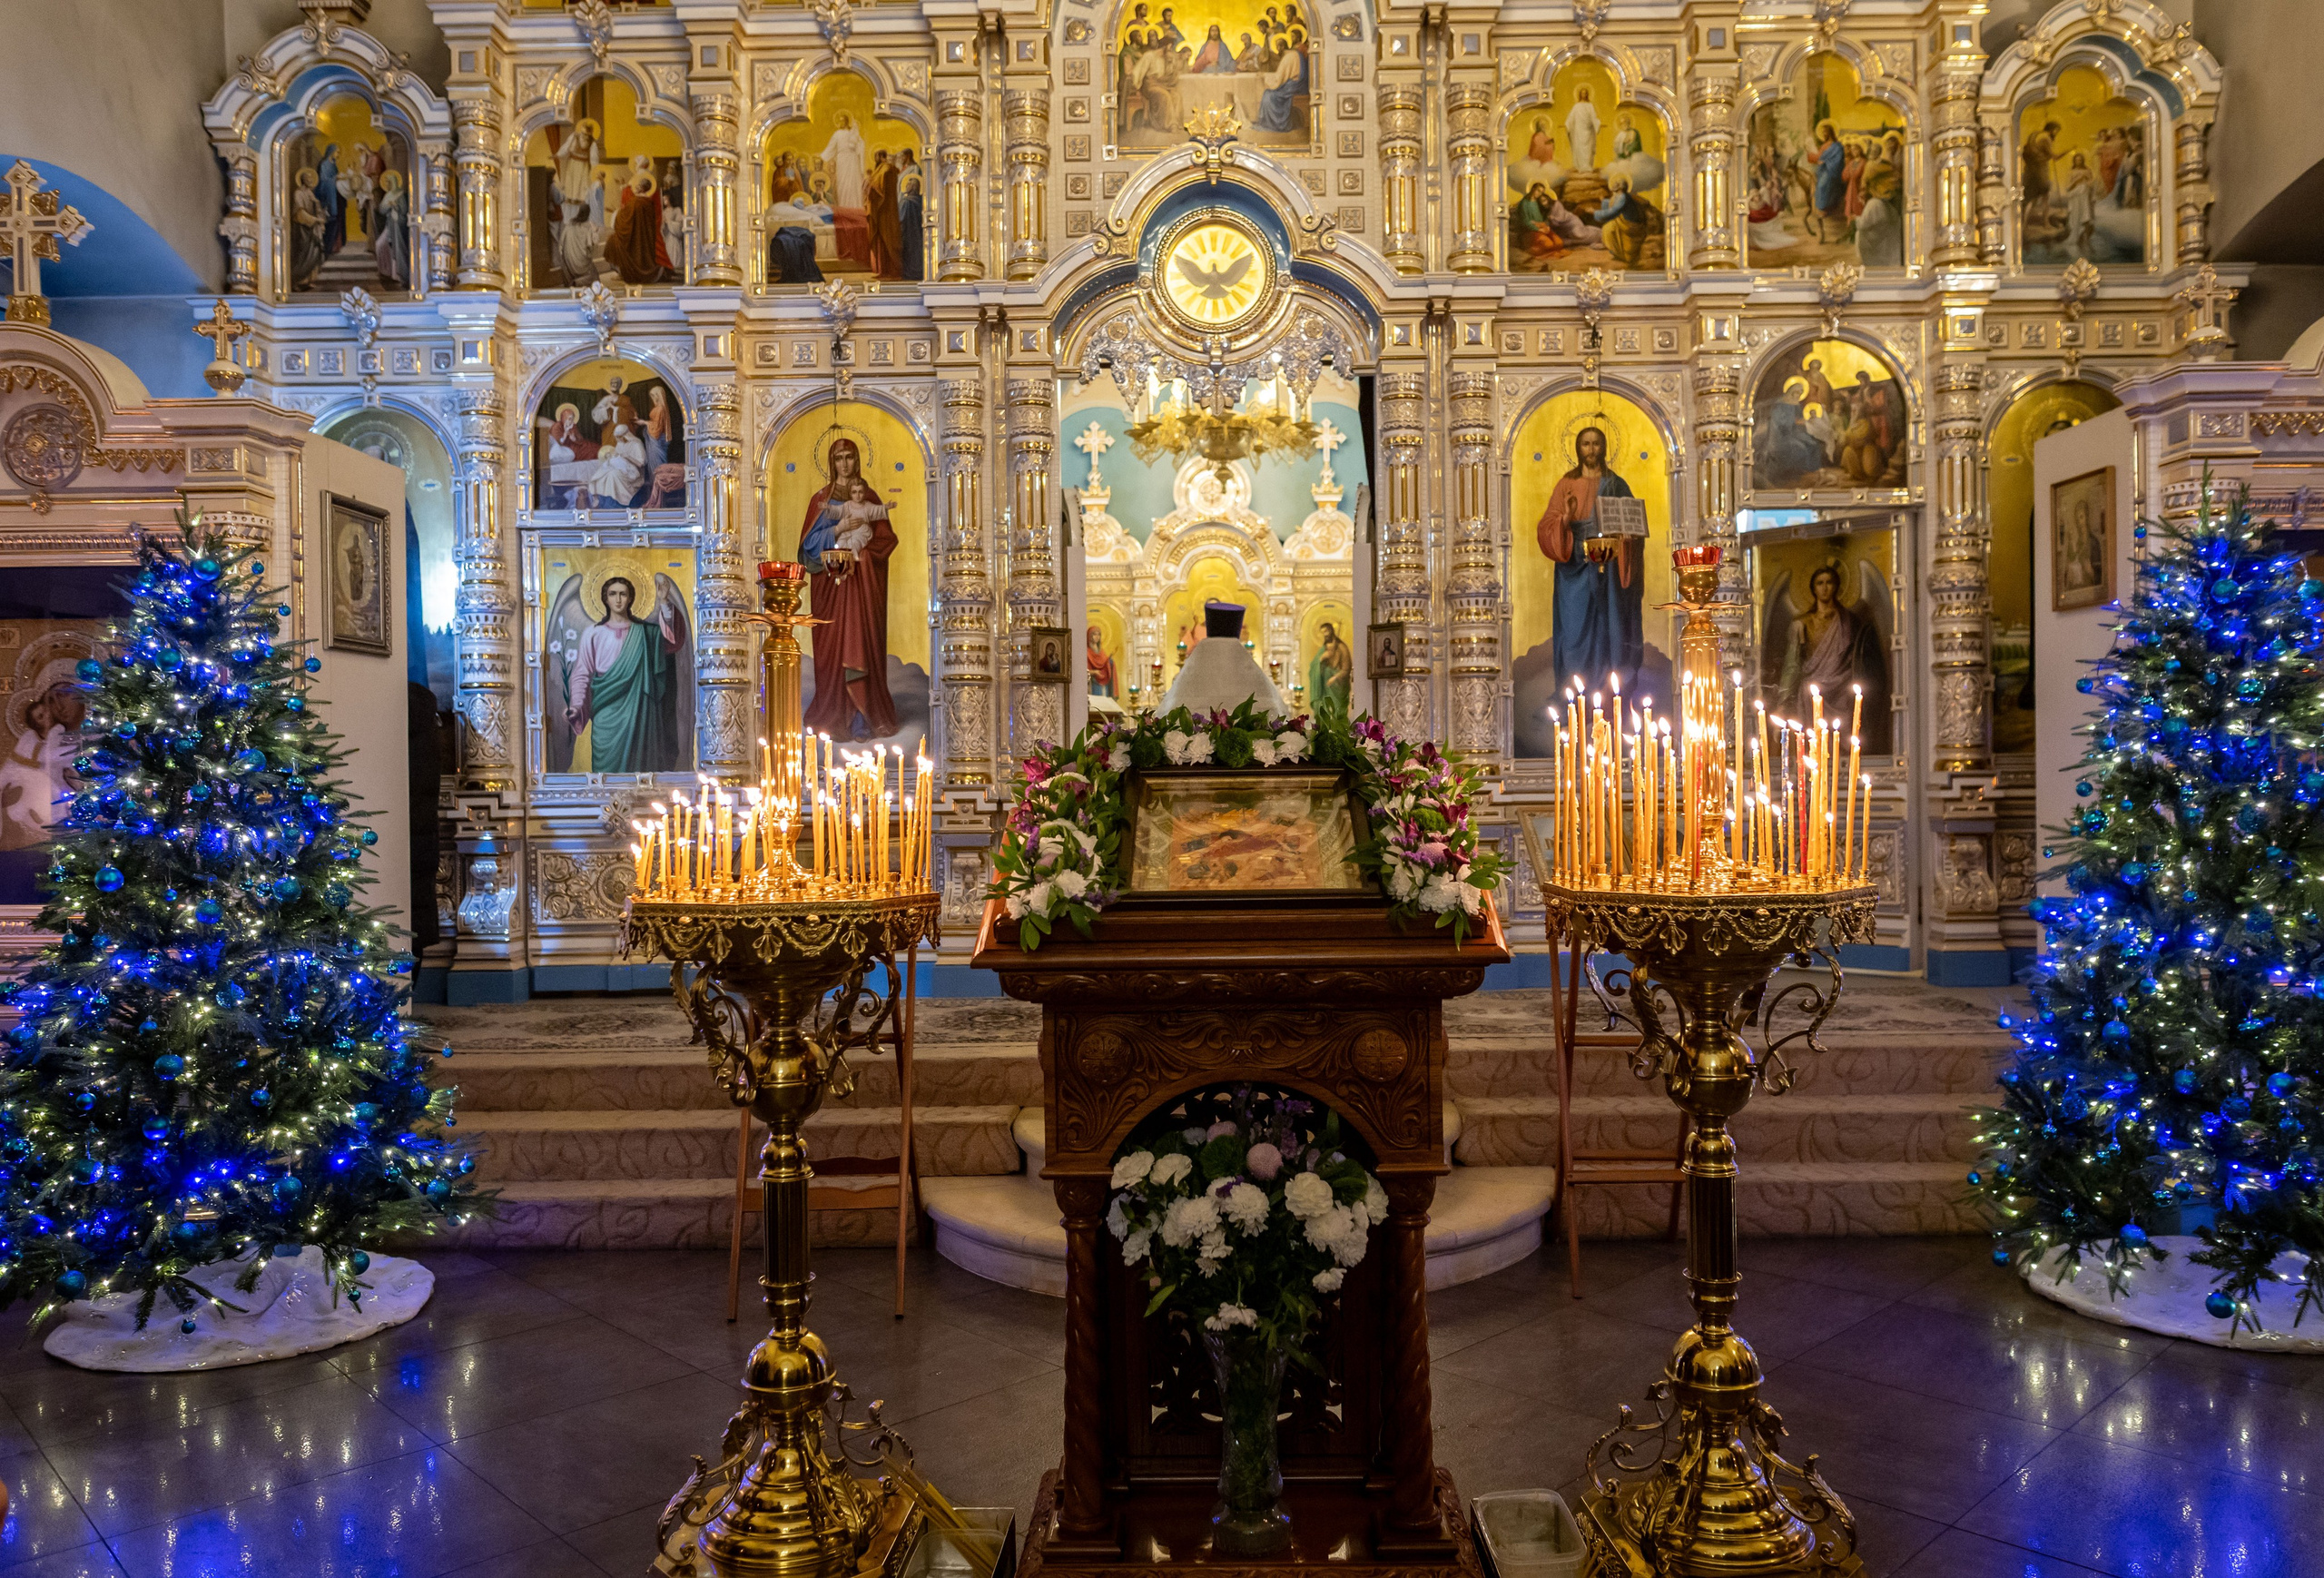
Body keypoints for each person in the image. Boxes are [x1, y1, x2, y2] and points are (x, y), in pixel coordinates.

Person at [798, 438, 900, 738]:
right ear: (832, 462)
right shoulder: (821, 500)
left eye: (850, 457)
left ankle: (861, 716)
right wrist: (838, 531)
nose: (844, 463)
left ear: (857, 461)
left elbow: (885, 539)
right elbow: (807, 549)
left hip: (863, 591)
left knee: (861, 645)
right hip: (831, 591)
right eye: (839, 457)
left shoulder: (869, 497)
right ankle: (835, 714)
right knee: (834, 648)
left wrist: (864, 556)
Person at [1537, 426, 1645, 695]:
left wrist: (1627, 536)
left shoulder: (1616, 484)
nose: (1591, 449)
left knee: (1608, 628)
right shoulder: (1566, 483)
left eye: (1596, 444)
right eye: (1586, 444)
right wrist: (1566, 517)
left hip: (1608, 565)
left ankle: (1610, 694)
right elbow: (1547, 526)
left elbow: (1632, 522)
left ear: (1604, 447)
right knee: (1574, 631)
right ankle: (1572, 694)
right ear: (1577, 448)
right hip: (1573, 563)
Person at [564, 575, 684, 773]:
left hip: (639, 708)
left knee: (640, 766)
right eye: (613, 594)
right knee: (606, 771)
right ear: (605, 598)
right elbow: (582, 673)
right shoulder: (593, 633)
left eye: (623, 594)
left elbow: (671, 641)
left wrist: (663, 601)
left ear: (630, 598)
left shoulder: (646, 633)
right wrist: (576, 705)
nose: (618, 599)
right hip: (606, 709)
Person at [1778, 562, 1888, 753]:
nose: (1825, 587)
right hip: (1813, 687)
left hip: (1842, 686)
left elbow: (1861, 659)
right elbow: (1792, 664)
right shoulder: (1801, 623)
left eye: (1829, 582)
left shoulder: (1850, 621)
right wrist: (1783, 701)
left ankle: (1842, 755)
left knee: (1849, 698)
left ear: (1837, 586)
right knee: (1806, 691)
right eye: (1820, 583)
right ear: (1813, 588)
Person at [0, 682, 84, 851]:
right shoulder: (33, 739)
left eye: (63, 695)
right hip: (36, 830)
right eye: (50, 702)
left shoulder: (97, 737)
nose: (58, 706)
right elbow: (9, 774)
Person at [606, 163, 670, 283]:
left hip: (633, 238)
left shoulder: (635, 202)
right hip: (645, 239)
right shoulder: (649, 202)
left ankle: (625, 273)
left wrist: (616, 215)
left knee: (612, 243)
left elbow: (623, 221)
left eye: (638, 186)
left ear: (642, 188)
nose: (635, 187)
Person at [1590, 173, 1661, 268]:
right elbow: (1612, 203)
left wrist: (1594, 212)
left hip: (1631, 226)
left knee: (1608, 229)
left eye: (1616, 183)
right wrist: (1603, 200)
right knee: (1610, 227)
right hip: (1626, 224)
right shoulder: (1620, 196)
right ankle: (1620, 254)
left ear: (1620, 186)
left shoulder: (1622, 197)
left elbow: (1613, 211)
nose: (1613, 185)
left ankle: (1623, 255)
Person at [537, 402, 598, 508]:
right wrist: (565, 435)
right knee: (581, 452)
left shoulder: (573, 426)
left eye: (572, 418)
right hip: (566, 448)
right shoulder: (557, 427)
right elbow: (558, 443)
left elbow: (580, 439)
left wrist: (575, 438)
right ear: (563, 417)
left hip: (577, 446)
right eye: (569, 418)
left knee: (593, 447)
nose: (570, 420)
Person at [1256, 33, 1307, 133]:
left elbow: (1279, 79)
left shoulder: (1289, 57)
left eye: (1279, 46)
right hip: (1298, 84)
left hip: (1293, 87)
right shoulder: (1295, 54)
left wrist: (1265, 77)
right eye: (1276, 46)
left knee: (1268, 95)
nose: (1277, 48)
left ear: (1284, 46)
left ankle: (1274, 124)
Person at [589, 420, 648, 508]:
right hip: (621, 468)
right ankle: (601, 499)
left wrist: (628, 457)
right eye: (616, 437)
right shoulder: (620, 444)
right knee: (604, 472)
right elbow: (616, 456)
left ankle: (617, 503)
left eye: (619, 437)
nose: (617, 439)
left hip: (634, 474)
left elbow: (641, 464)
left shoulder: (636, 444)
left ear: (626, 435)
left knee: (613, 475)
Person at [290, 168, 328, 290]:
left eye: (312, 178)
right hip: (302, 228)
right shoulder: (298, 193)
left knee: (314, 252)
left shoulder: (310, 193)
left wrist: (320, 213)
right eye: (308, 178)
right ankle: (299, 279)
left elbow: (317, 207)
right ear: (303, 180)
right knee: (304, 254)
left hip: (312, 228)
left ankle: (309, 279)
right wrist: (316, 220)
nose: (311, 180)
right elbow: (300, 213)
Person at [822, 112, 868, 210]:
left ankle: (855, 207)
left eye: (843, 121)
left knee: (853, 183)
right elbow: (831, 148)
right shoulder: (837, 134)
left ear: (847, 122)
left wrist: (857, 141)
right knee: (842, 184)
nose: (840, 123)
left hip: (852, 160)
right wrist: (823, 158)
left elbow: (860, 145)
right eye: (839, 121)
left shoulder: (853, 133)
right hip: (841, 160)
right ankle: (844, 206)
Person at [373, 168, 409, 288]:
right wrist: (388, 206)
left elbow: (404, 211)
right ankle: (386, 272)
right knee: (379, 245)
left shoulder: (400, 194)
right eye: (386, 182)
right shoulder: (388, 194)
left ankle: (398, 275)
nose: (387, 184)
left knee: (397, 249)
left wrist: (396, 206)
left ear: (394, 182)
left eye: (389, 182)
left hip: (398, 226)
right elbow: (382, 210)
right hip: (390, 225)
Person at [1308, 620, 1352, 710]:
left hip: (1338, 685)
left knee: (1337, 711)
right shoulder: (1323, 649)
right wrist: (1321, 659)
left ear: (1331, 631)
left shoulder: (1342, 648)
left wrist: (1334, 678)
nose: (1325, 634)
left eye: (1326, 631)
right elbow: (1313, 666)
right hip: (1324, 687)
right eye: (1323, 632)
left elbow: (1346, 669)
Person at [317, 143, 346, 259]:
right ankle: (327, 248)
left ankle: (334, 246)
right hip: (328, 197)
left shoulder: (333, 164)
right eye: (337, 152)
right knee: (330, 221)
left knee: (336, 221)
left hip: (335, 195)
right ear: (332, 152)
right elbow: (324, 181)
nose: (338, 155)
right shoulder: (324, 164)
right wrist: (336, 178)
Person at [1565, 84, 1600, 173]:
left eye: (1585, 93)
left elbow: (1593, 117)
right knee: (1579, 148)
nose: (1583, 95)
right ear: (1580, 95)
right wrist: (1568, 125)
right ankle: (1580, 167)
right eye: (1582, 93)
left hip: (1589, 131)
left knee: (1588, 149)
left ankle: (1587, 166)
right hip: (1578, 131)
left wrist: (1597, 124)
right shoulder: (1576, 106)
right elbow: (1571, 117)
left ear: (1587, 95)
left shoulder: (1590, 106)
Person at [898, 171, 923, 281]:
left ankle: (909, 275)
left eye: (908, 184)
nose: (907, 186)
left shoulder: (906, 202)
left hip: (908, 234)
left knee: (908, 254)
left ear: (911, 187)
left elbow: (901, 218)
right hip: (919, 234)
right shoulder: (922, 201)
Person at [643, 385, 674, 474]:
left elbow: (657, 428)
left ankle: (659, 482)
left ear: (658, 396)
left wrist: (645, 423)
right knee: (656, 462)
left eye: (653, 396)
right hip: (659, 438)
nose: (652, 398)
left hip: (658, 440)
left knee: (657, 462)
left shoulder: (660, 409)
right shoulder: (660, 408)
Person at [1086, 625, 1118, 697]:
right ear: (1089, 636)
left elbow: (1104, 663)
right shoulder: (1087, 652)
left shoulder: (1101, 651)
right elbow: (1084, 669)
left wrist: (1110, 662)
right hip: (1093, 682)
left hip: (1104, 680)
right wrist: (1093, 672)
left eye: (1099, 634)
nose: (1097, 637)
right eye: (1094, 634)